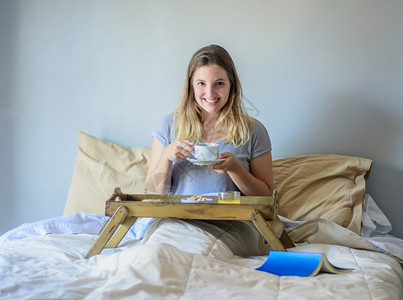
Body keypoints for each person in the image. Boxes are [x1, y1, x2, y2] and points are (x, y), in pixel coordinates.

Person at [145, 45, 273, 256]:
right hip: (175, 221)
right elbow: (153, 195)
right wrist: (167, 157)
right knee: (157, 254)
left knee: (199, 255)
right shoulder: (168, 126)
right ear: (191, 86)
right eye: (201, 84)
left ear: (232, 85)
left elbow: (266, 199)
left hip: (232, 226)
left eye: (219, 84)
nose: (210, 93)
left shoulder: (253, 130)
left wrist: (235, 168)